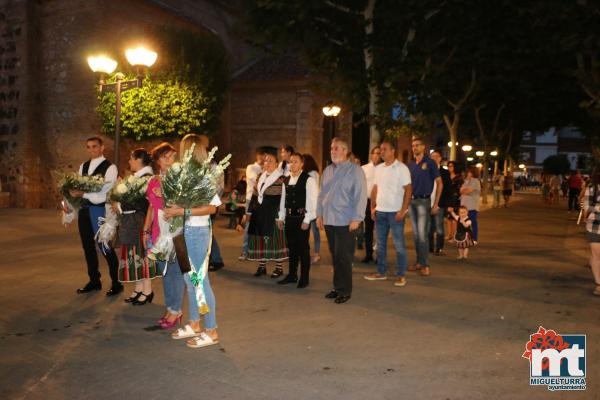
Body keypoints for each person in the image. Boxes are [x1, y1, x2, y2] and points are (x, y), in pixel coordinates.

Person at [163, 182, 221, 349]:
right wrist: (173, 211)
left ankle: (211, 330)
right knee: (189, 280)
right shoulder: (183, 178)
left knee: (200, 281)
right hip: (181, 231)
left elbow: (211, 209)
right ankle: (195, 323)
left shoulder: (204, 179)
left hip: (197, 233)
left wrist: (181, 211)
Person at [317, 138, 367, 304]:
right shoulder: (328, 171)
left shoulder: (355, 171)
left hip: (346, 221)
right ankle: (337, 287)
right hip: (330, 219)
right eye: (332, 148)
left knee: (344, 257)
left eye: (337, 148)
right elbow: (321, 195)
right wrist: (319, 214)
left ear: (345, 151)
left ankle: (345, 290)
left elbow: (360, 196)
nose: (333, 151)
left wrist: (357, 218)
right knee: (335, 255)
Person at [70, 136, 122, 296]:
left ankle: (116, 282)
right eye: (88, 147)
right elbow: (77, 187)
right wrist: (70, 202)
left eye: (94, 146)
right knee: (87, 247)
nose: (91, 149)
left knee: (104, 246)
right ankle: (94, 281)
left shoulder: (110, 167)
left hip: (100, 210)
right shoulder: (83, 166)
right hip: (85, 210)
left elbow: (105, 192)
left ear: (102, 147)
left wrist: (83, 193)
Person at [143, 142, 185, 329]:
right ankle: (170, 308)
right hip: (158, 233)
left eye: (172, 157)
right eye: (165, 157)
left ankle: (176, 311)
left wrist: (167, 194)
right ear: (158, 161)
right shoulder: (153, 181)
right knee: (165, 273)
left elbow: (185, 205)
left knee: (176, 273)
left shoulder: (181, 179)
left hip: (177, 233)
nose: (169, 161)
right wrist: (145, 230)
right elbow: (151, 208)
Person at [363, 140, 412, 286]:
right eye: (380, 150)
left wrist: (403, 210)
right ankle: (381, 272)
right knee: (380, 244)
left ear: (392, 151)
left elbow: (408, 189)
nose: (381, 152)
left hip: (395, 213)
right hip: (381, 212)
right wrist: (373, 207)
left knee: (398, 244)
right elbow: (375, 188)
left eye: (384, 149)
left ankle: (401, 274)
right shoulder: (379, 169)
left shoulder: (401, 168)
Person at [179, 134, 225, 272]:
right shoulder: (193, 171)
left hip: (195, 227)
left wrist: (181, 210)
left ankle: (216, 259)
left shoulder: (203, 171)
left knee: (196, 279)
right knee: (192, 278)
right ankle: (216, 258)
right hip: (191, 226)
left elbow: (212, 204)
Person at [117, 148, 157, 305]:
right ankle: (139, 288)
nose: (129, 161)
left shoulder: (147, 178)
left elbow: (145, 203)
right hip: (133, 220)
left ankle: (147, 290)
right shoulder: (138, 177)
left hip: (140, 220)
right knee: (134, 255)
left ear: (139, 160)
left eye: (131, 158)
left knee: (141, 254)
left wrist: (121, 198)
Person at [244, 147, 288, 277]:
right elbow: (254, 195)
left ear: (276, 164)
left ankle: (279, 268)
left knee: (275, 241)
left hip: (273, 214)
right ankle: (262, 267)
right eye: (265, 161)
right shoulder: (260, 176)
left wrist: (281, 217)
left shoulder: (281, 179)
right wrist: (249, 212)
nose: (267, 163)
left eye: (270, 161)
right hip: (260, 213)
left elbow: (283, 199)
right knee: (262, 240)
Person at [278, 153, 318, 288]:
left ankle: (304, 278)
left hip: (302, 218)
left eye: (296, 162)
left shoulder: (309, 180)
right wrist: (281, 217)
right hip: (289, 219)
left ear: (302, 164)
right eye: (291, 162)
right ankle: (292, 275)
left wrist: (307, 220)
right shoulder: (286, 180)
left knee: (303, 249)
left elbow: (313, 201)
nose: (292, 164)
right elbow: (283, 200)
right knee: (292, 248)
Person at [407, 137, 442, 277]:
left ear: (423, 147)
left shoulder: (430, 163)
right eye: (413, 145)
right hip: (411, 202)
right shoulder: (410, 165)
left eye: (417, 145)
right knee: (416, 235)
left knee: (422, 235)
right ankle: (419, 262)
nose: (415, 147)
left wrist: (436, 203)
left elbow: (440, 183)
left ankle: (425, 265)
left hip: (423, 202)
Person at [240, 147, 265, 260]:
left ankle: (256, 251)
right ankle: (245, 251)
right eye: (262, 156)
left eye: (266, 157)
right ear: (258, 156)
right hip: (251, 199)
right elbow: (255, 181)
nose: (264, 159)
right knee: (249, 226)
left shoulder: (266, 170)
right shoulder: (251, 167)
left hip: (262, 200)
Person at [361, 146, 382, 263]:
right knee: (368, 229)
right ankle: (368, 254)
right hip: (368, 201)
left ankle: (379, 256)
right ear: (371, 155)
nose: (377, 155)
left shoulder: (384, 168)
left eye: (379, 153)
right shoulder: (364, 168)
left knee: (379, 230)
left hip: (381, 202)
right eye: (375, 153)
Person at [429, 150, 451, 255]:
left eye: (436, 156)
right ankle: (430, 247)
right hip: (427, 202)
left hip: (440, 204)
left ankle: (439, 248)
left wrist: (447, 204)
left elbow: (447, 189)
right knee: (429, 228)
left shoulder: (445, 172)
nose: (433, 158)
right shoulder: (426, 171)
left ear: (440, 158)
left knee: (439, 228)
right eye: (432, 156)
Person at [583, 166, 600, 296]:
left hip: (593, 225)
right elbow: (587, 207)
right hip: (595, 226)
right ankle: (599, 283)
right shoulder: (592, 188)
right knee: (596, 255)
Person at [302, 154, 322, 263]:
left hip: (313, 205)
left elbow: (312, 191)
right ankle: (307, 252)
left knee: (315, 231)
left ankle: (316, 253)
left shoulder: (313, 173)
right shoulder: (306, 173)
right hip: (306, 205)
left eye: (302, 161)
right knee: (306, 230)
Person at [460, 167, 481, 243]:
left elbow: (467, 191)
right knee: (463, 223)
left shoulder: (476, 181)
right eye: (468, 172)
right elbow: (461, 191)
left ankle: (474, 238)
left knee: (472, 223)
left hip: (472, 206)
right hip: (464, 205)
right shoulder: (466, 181)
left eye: (470, 172)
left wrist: (464, 190)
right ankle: (464, 238)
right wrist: (464, 189)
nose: (468, 174)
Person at [446, 161, 463, 241]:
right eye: (448, 166)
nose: (450, 167)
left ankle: (455, 236)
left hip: (455, 199)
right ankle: (449, 234)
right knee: (448, 218)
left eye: (451, 166)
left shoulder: (459, 177)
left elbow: (459, 190)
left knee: (454, 218)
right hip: (447, 198)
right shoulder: (447, 176)